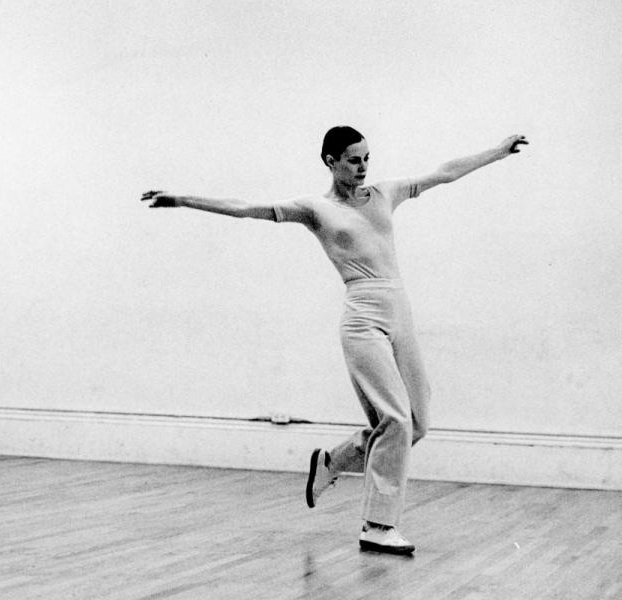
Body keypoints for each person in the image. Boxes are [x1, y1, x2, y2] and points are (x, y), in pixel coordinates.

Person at [140, 126, 528, 554]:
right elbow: (246, 207)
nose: (362, 168)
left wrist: (499, 151)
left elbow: (445, 173)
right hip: (362, 319)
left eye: (366, 158)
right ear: (330, 161)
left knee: (414, 424)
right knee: (395, 420)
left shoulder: (386, 193)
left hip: (400, 311)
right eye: (352, 160)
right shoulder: (316, 209)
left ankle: (333, 462)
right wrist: (182, 199)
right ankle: (378, 526)